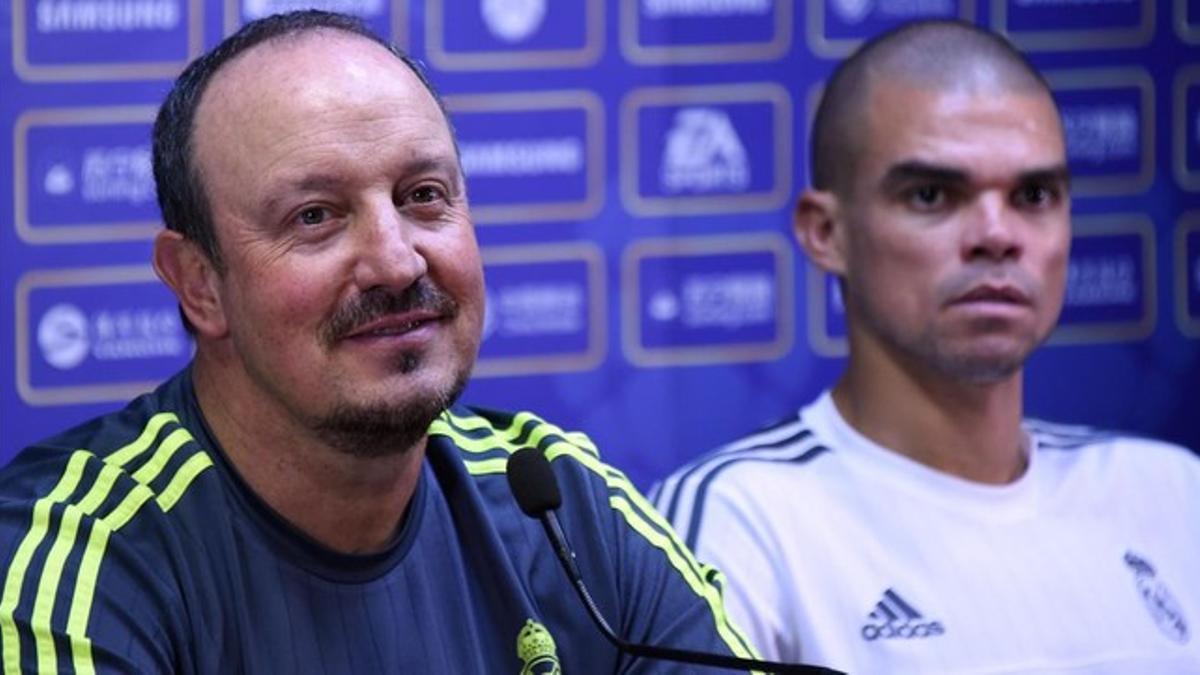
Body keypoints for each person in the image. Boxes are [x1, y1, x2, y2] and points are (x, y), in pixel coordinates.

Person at [0, 11, 758, 673]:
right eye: (316, 217)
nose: (397, 261)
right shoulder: (83, 554)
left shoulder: (560, 506)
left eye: (423, 196)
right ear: (199, 283)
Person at [652, 19, 1200, 674]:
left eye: (1034, 194)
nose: (997, 235)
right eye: (933, 194)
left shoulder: (1172, 492)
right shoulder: (738, 521)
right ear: (826, 231)